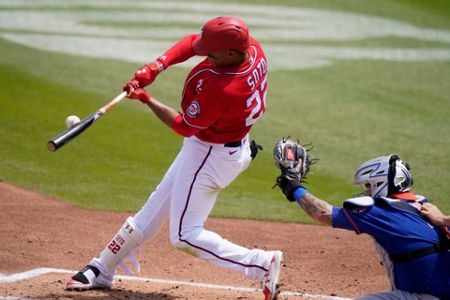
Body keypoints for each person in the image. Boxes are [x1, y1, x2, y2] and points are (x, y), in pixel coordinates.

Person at [65, 16, 282, 300]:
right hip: (221, 145)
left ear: (230, 52)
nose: (206, 53)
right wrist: (156, 67)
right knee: (154, 208)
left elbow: (183, 126)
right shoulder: (251, 48)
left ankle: (260, 264)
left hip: (210, 155)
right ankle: (102, 267)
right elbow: (192, 43)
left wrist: (145, 98)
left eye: (212, 51)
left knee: (183, 235)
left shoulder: (224, 90)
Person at [273, 138, 450, 300]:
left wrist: (293, 185)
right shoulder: (424, 204)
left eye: (368, 185)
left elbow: (323, 213)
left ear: (381, 183)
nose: (366, 191)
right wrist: (443, 219)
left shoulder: (383, 212)